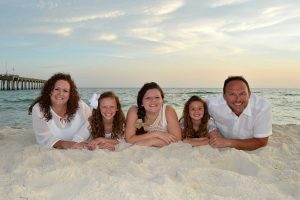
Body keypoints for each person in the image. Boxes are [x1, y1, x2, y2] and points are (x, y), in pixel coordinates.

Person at [207, 76, 272, 151]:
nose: (238, 99)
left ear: (249, 94)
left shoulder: (262, 107)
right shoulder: (213, 105)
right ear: (224, 96)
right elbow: (195, 114)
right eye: (232, 94)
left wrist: (228, 142)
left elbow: (261, 142)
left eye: (242, 94)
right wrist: (212, 130)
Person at [28, 73, 91, 149]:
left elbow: (92, 121)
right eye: (57, 89)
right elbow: (45, 139)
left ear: (70, 94)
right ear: (50, 91)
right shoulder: (39, 109)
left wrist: (79, 138)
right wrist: (70, 145)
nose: (60, 94)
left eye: (65, 91)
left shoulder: (80, 105)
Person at [125, 82, 181, 147]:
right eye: (148, 98)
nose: (153, 100)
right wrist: (156, 134)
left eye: (157, 97)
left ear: (162, 100)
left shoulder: (168, 111)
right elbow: (129, 140)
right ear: (141, 101)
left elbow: (177, 140)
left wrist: (153, 141)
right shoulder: (134, 111)